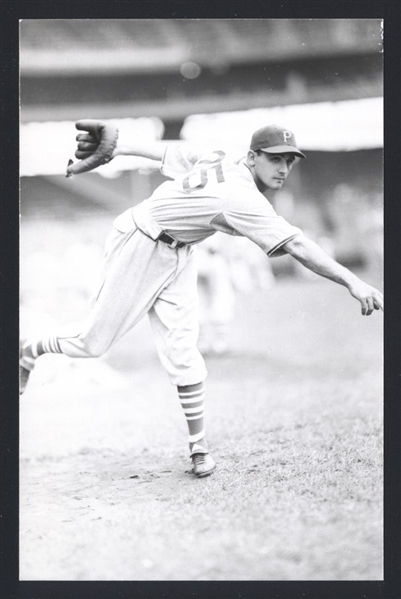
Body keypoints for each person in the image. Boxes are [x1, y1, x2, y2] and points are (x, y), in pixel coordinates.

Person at [19, 124, 384, 478]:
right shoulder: (241, 197)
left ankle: (199, 447)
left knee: (183, 349)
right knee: (93, 342)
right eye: (276, 159)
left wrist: (120, 147)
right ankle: (29, 348)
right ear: (253, 156)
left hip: (180, 250)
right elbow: (298, 245)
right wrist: (352, 281)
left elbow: (168, 152)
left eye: (290, 160)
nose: (284, 169)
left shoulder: (219, 154)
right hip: (141, 239)